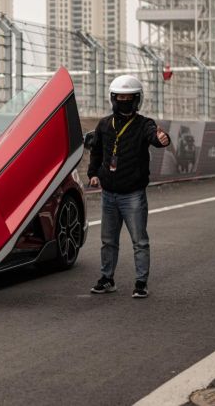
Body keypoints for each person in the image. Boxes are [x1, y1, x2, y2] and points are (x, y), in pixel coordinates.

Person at [87, 75, 170, 298]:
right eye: (120, 97)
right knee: (108, 241)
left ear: (137, 99)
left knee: (140, 242)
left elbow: (155, 137)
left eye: (128, 97)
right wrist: (93, 174)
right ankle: (107, 279)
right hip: (108, 194)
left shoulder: (144, 124)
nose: (124, 101)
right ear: (113, 98)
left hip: (133, 194)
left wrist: (162, 139)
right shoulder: (105, 124)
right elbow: (96, 151)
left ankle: (141, 283)